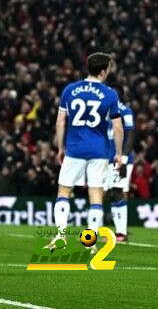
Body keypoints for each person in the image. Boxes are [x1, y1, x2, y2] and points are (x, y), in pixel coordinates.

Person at [48, 52, 123, 253]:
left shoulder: (69, 90)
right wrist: (118, 152)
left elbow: (60, 121)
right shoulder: (110, 94)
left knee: (64, 192)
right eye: (108, 68)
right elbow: (117, 127)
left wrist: (61, 148)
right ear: (102, 70)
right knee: (96, 196)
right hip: (99, 151)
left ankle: (60, 235)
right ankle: (89, 242)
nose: (109, 72)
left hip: (74, 149)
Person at [104, 83, 135, 243]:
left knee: (117, 191)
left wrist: (122, 159)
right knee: (111, 194)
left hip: (121, 159)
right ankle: (118, 232)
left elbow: (130, 135)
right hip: (109, 158)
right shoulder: (108, 113)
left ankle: (122, 233)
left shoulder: (125, 111)